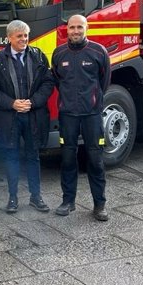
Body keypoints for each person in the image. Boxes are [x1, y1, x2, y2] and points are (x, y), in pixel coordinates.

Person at [0, 20, 55, 214]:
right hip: (9, 117)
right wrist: (12, 103)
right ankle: (13, 198)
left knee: (34, 157)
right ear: (9, 38)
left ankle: (36, 197)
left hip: (34, 115)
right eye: (19, 36)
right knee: (11, 157)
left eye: (26, 35)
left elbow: (48, 83)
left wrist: (33, 102)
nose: (24, 39)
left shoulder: (38, 55)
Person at [51, 14, 111, 221]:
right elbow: (58, 81)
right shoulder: (59, 54)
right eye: (72, 27)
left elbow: (104, 82)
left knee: (95, 159)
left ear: (87, 29)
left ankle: (99, 204)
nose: (75, 31)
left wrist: (93, 100)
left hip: (92, 115)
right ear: (66, 29)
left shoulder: (98, 52)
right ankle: (68, 201)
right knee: (67, 159)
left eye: (79, 27)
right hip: (67, 115)